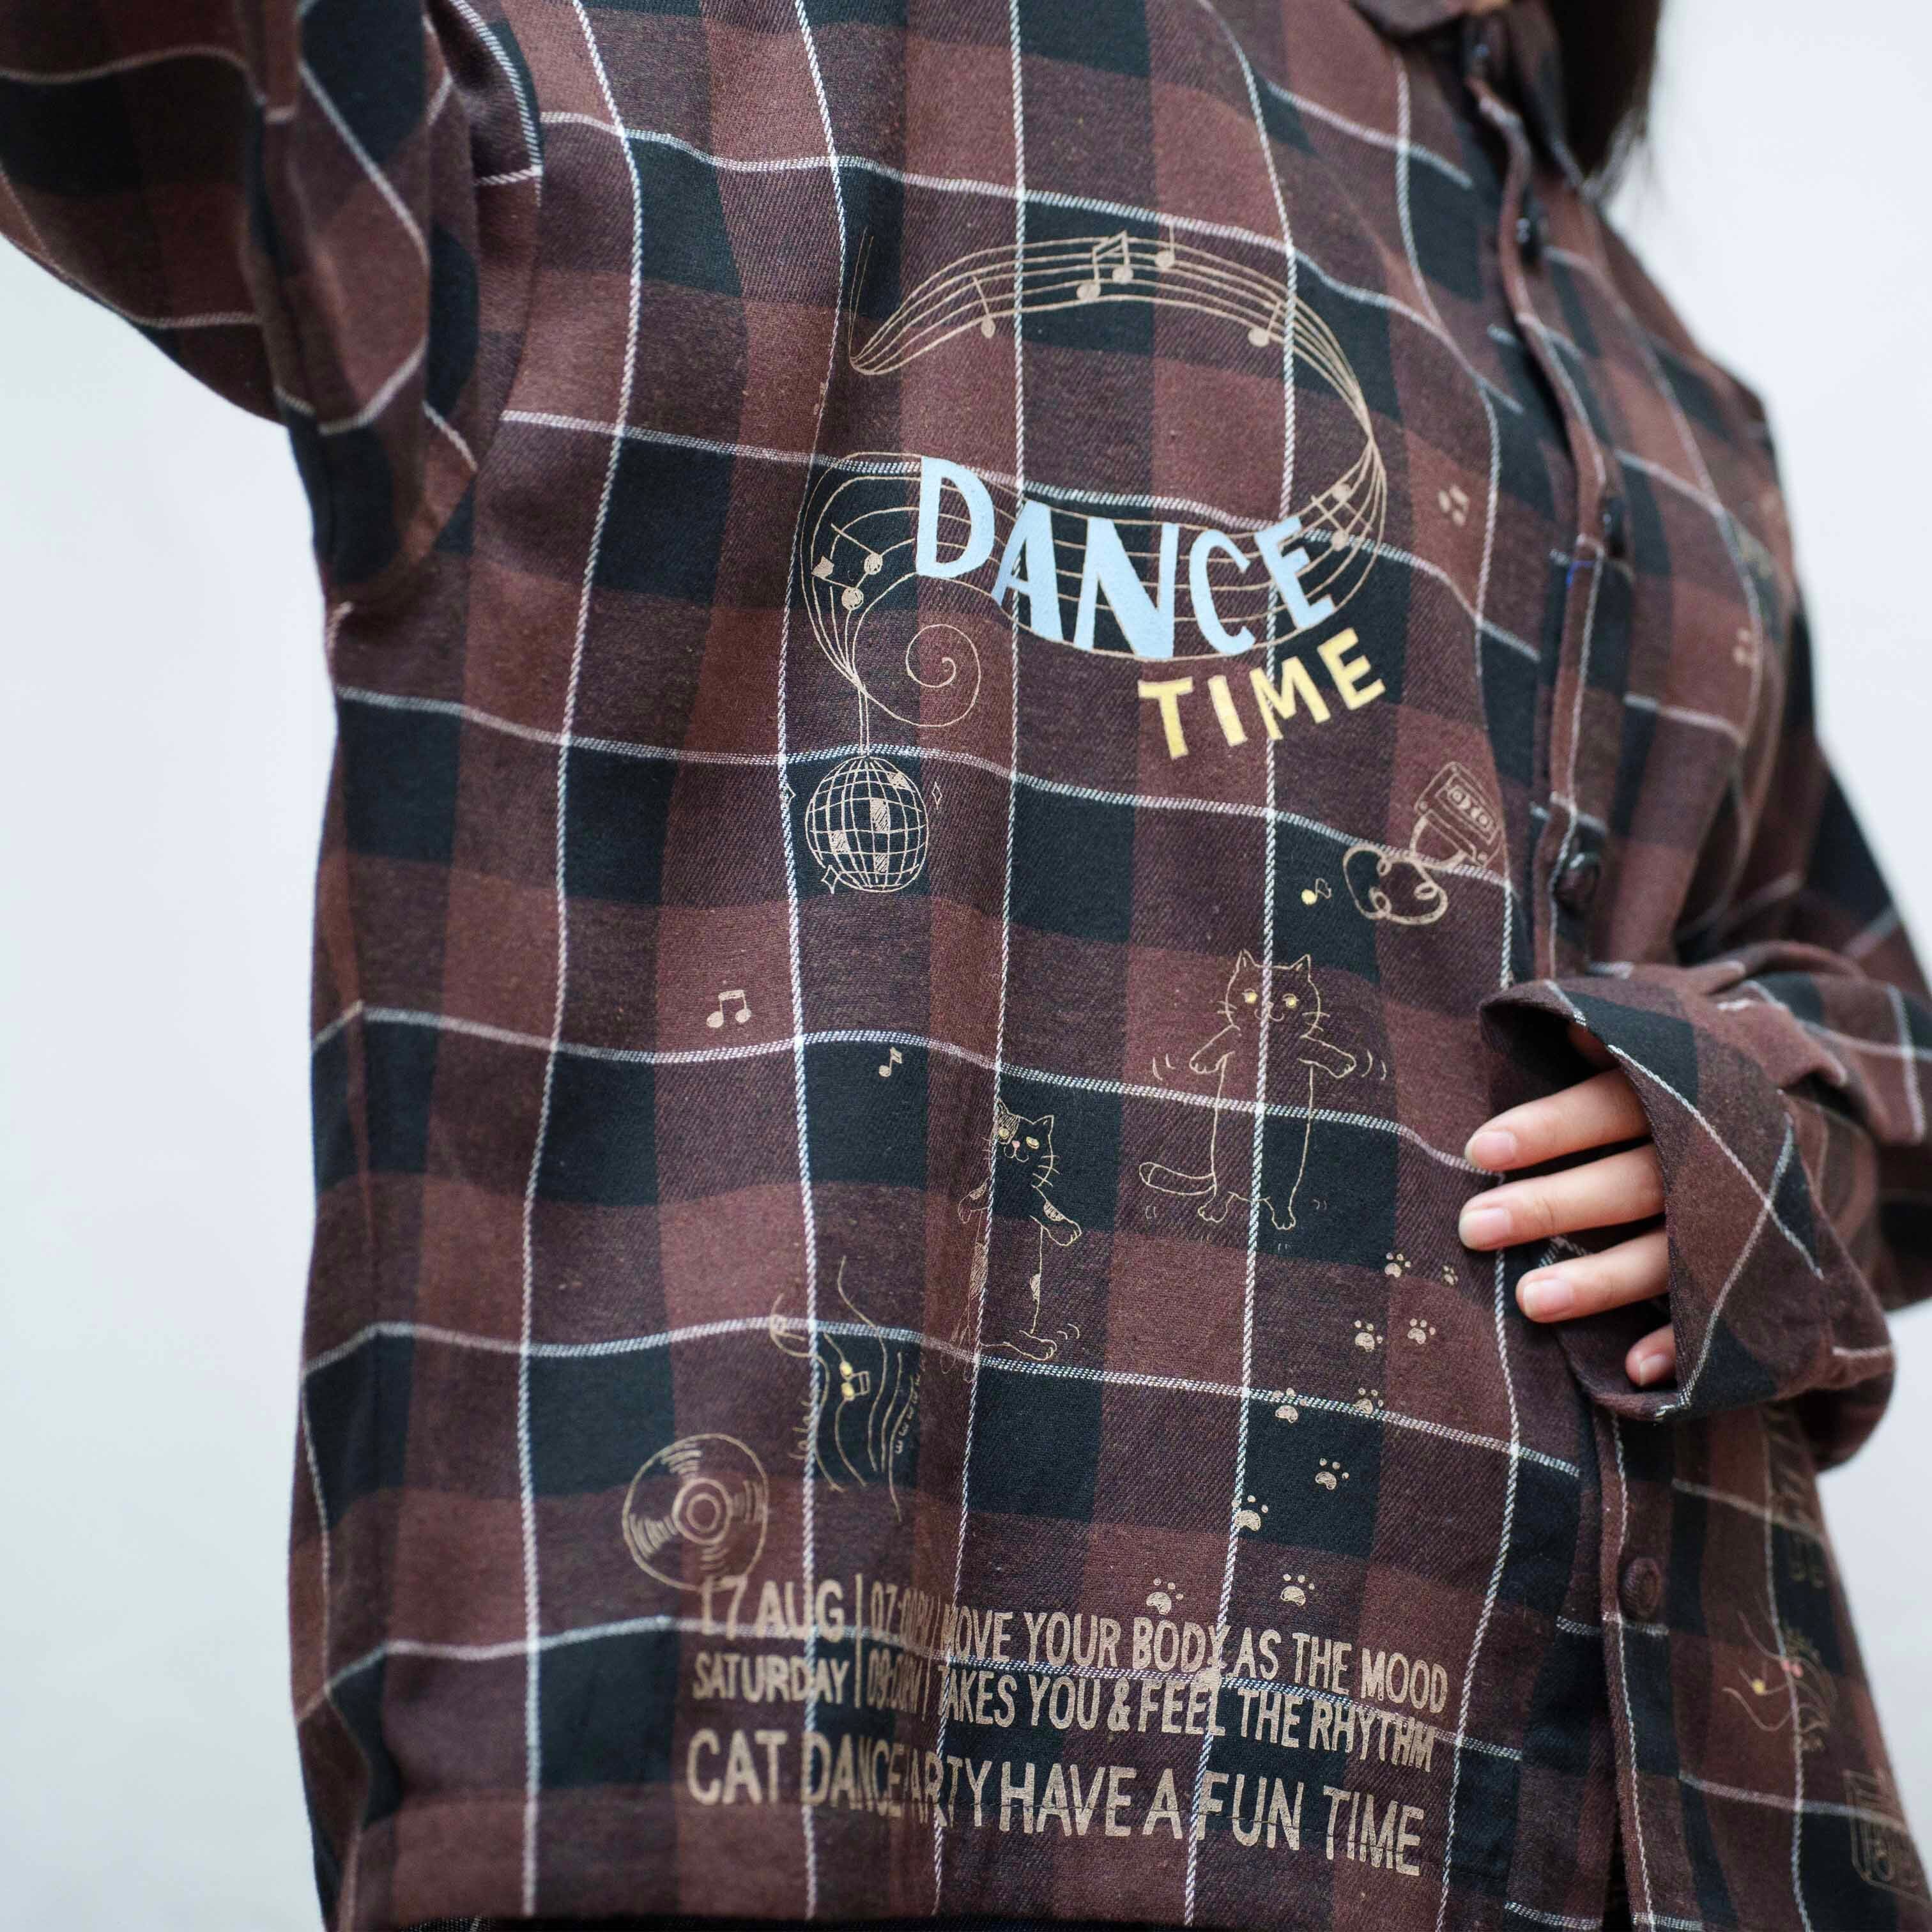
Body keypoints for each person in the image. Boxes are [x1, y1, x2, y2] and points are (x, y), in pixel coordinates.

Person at [3, 1, 1928, 1928]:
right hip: (843, 1783)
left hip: (1708, 1827)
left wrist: (1745, 1128)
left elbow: (1880, 1035)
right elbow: (181, 89)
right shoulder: (755, 55)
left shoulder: (1679, 402)